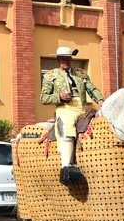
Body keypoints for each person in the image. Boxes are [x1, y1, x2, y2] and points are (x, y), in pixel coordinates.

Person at [39, 46, 101, 185]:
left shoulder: (81, 74)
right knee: (67, 128)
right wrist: (59, 97)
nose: (65, 61)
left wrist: (101, 100)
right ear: (58, 60)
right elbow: (43, 98)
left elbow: (91, 89)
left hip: (82, 107)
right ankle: (66, 167)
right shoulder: (50, 75)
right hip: (65, 108)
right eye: (62, 58)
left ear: (71, 59)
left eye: (67, 58)